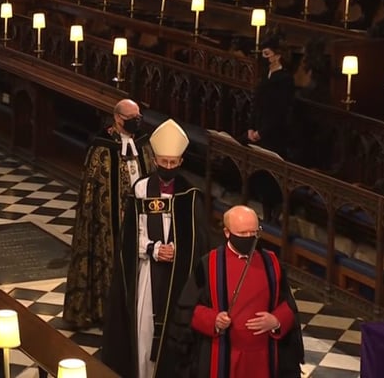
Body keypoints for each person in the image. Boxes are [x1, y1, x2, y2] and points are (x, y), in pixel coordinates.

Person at [102, 119, 211, 378]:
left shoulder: (190, 194)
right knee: (144, 330)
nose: (168, 167)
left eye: (174, 163)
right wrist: (152, 249)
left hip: (177, 277)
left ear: (181, 163)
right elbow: (130, 235)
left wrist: (179, 251)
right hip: (147, 272)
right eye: (164, 162)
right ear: (156, 160)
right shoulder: (141, 189)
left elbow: (200, 240)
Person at [161, 205, 304, 378]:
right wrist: (213, 320)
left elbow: (288, 304)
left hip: (264, 359)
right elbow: (188, 309)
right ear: (227, 232)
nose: (249, 238)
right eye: (243, 234)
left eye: (254, 233)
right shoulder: (209, 264)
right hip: (223, 356)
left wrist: (276, 321)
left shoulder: (271, 263)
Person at [63, 98, 151, 329]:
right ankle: (106, 312)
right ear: (118, 118)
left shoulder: (142, 144)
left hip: (140, 216)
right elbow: (93, 188)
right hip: (108, 221)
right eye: (132, 118)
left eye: (139, 116)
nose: (137, 121)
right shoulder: (102, 148)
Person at [247, 36, 294, 158]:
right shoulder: (264, 74)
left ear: (277, 56)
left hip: (273, 133)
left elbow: (280, 110)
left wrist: (261, 132)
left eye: (266, 53)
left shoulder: (285, 79)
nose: (263, 57)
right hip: (257, 128)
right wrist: (251, 128)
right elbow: (256, 103)